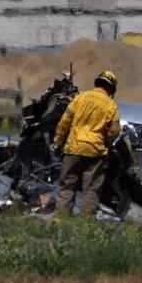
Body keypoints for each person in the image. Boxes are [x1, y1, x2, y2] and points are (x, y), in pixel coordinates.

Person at [51, 70, 121, 218]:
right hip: (96, 152)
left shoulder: (80, 98)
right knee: (91, 190)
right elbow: (114, 130)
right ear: (111, 88)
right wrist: (106, 143)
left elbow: (64, 122)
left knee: (67, 187)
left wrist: (58, 142)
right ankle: (86, 224)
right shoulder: (111, 105)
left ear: (97, 83)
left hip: (73, 148)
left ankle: (60, 221)